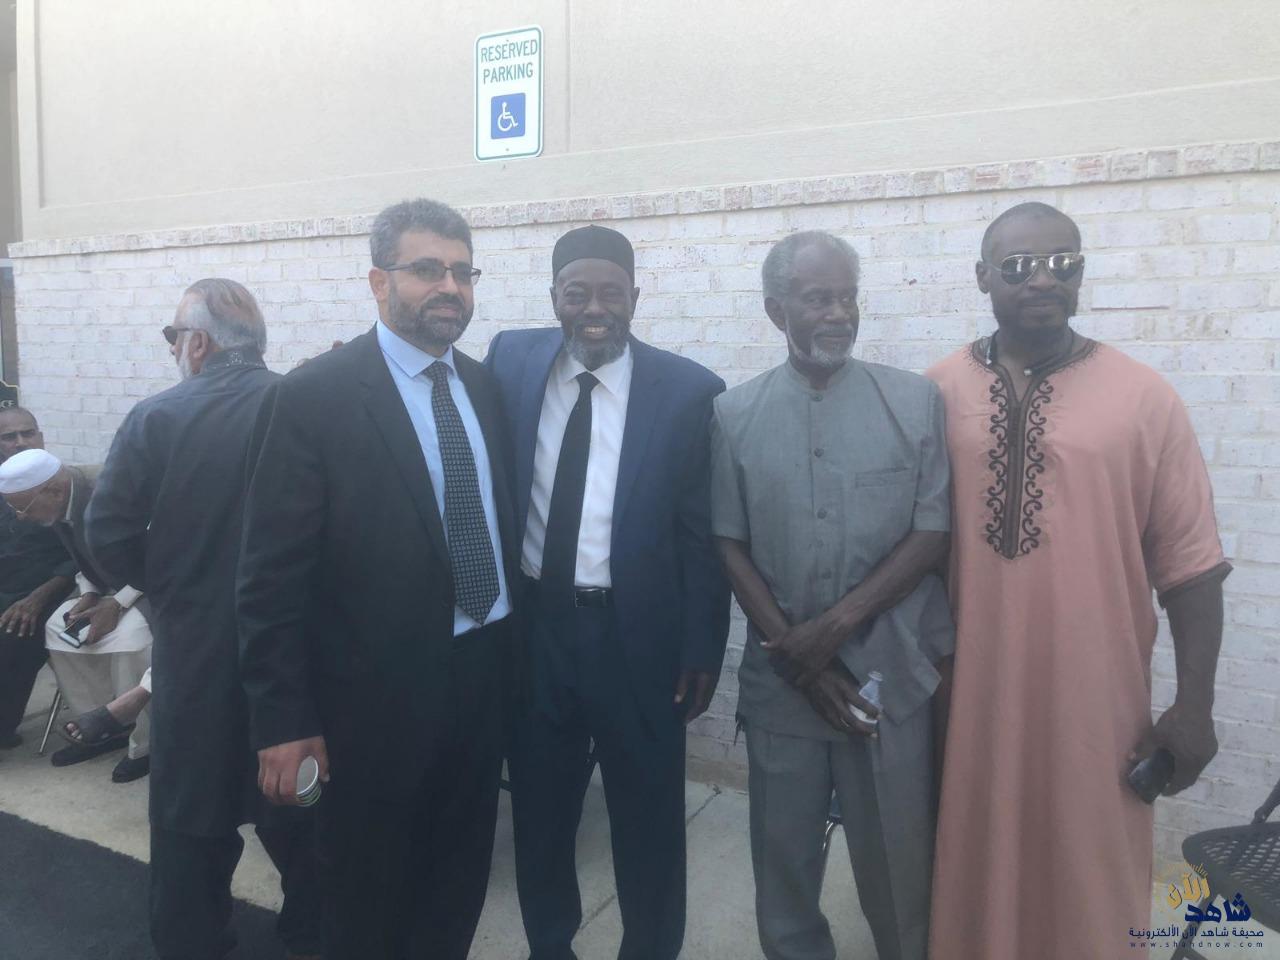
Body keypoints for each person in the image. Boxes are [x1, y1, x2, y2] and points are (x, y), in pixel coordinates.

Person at [926, 202, 1231, 960]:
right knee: (971, 849)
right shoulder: (935, 393)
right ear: (982, 277)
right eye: (1019, 265)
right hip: (967, 692)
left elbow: (1192, 566)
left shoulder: (1143, 397)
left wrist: (1194, 706)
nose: (1044, 280)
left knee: (1092, 863)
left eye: (1064, 263)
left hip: (1098, 695)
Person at [238, 198, 518, 960]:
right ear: (378, 281)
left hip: (480, 677)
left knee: (457, 882)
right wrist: (283, 721)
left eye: (463, 272)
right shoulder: (314, 397)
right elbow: (269, 579)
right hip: (367, 704)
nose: (450, 287)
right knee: (364, 898)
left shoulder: (484, 388)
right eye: (427, 269)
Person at [486, 224, 731, 960]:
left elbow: (700, 533)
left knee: (648, 820)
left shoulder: (687, 391)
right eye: (577, 293)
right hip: (538, 634)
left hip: (637, 641)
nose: (595, 309)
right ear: (553, 297)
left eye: (611, 293)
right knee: (541, 812)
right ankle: (550, 946)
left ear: (635, 297)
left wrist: (701, 647)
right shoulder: (511, 361)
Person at [710, 231, 953, 960]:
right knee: (783, 859)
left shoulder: (913, 402)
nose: (839, 313)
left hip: (890, 677)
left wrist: (831, 631)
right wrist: (801, 658)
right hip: (783, 686)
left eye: (848, 297)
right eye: (819, 298)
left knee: (898, 861)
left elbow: (932, 531)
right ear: (775, 310)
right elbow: (729, 541)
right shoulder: (734, 414)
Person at [85, 278, 322, 960]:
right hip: (297, 654)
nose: (172, 350)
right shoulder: (307, 408)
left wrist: (174, 588)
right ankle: (314, 934)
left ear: (197, 343)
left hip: (195, 655)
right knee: (303, 815)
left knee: (190, 825)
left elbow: (107, 534)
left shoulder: (157, 417)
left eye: (173, 337)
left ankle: (194, 943)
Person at [0, 450, 153, 782]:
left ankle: (145, 742)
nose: (20, 518)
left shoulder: (112, 494)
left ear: (54, 491)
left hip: (152, 587)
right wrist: (89, 594)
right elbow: (84, 557)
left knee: (130, 639)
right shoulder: (58, 500)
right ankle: (99, 725)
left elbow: (159, 555)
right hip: (108, 586)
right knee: (59, 627)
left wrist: (117, 604)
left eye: (22, 508)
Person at [0, 407, 75, 748]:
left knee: (12, 633)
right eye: (9, 437)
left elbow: (81, 559)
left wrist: (37, 598)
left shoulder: (59, 485)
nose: (19, 442)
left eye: (27, 433)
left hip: (50, 590)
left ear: (41, 437)